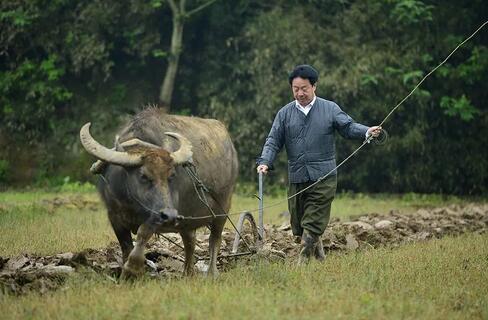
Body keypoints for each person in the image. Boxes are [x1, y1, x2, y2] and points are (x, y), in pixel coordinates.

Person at [256, 64, 381, 264]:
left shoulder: (330, 108)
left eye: (304, 88)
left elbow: (348, 127)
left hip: (324, 177)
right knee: (299, 226)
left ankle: (302, 264)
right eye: (295, 89)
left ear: (314, 86)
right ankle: (320, 258)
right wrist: (265, 162)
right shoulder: (284, 114)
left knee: (313, 222)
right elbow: (273, 141)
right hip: (297, 177)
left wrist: (367, 131)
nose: (300, 93)